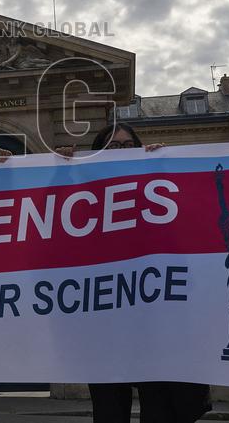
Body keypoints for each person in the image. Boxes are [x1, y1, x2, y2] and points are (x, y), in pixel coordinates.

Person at [84, 123, 212, 423]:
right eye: (113, 146)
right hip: (105, 315)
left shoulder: (154, 182)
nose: (121, 151)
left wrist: (162, 165)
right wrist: (55, 166)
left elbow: (190, 213)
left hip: (152, 312)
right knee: (109, 406)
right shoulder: (84, 191)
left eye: (128, 145)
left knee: (160, 402)